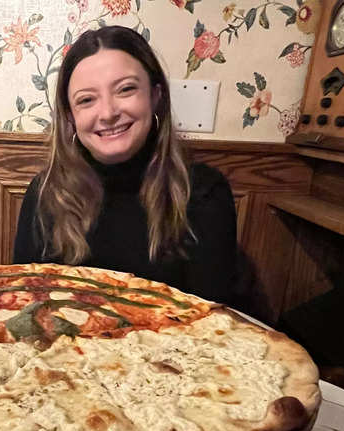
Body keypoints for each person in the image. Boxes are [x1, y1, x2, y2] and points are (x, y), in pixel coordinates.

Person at [13, 25, 237, 305]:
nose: (107, 113)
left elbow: (210, 321)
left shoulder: (205, 192)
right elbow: (25, 304)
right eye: (86, 100)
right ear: (70, 116)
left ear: (155, 96)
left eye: (126, 89)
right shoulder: (46, 191)